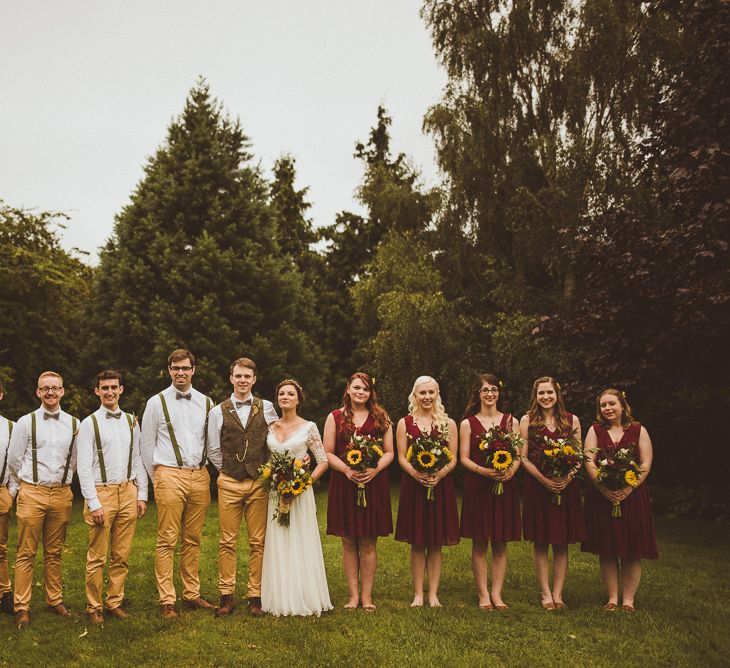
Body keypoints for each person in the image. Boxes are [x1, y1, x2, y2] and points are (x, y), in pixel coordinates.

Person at [140, 348, 216, 619]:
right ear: (169, 370)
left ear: (193, 370)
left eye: (185, 368)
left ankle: (192, 594)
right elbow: (146, 446)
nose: (181, 373)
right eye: (176, 368)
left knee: (193, 539)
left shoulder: (207, 403)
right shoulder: (155, 402)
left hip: (199, 475)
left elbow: (211, 443)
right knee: (167, 539)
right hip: (169, 474)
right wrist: (157, 478)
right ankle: (167, 599)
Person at [206, 357, 279, 617]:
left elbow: (275, 442)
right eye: (238, 376)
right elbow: (213, 449)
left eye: (247, 376)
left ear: (254, 379)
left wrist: (265, 471)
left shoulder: (267, 407)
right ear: (231, 378)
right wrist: (228, 469)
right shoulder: (218, 411)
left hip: (258, 483)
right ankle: (226, 596)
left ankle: (255, 596)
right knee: (227, 541)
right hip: (229, 482)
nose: (242, 380)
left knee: (258, 541)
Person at [6, 371, 78, 627]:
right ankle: (22, 606)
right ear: (38, 392)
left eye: (55, 388)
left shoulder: (73, 423)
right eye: (45, 388)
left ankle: (54, 600)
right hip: (32, 493)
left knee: (54, 551)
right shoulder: (26, 422)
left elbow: (75, 460)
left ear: (62, 391)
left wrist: (64, 481)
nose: (50, 392)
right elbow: (15, 459)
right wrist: (29, 484)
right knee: (26, 551)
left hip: (61, 494)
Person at [76, 370, 148, 624]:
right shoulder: (88, 423)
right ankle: (93, 606)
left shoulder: (131, 420)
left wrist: (142, 494)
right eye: (104, 388)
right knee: (97, 555)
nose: (109, 392)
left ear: (121, 390)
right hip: (102, 491)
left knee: (122, 554)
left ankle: (114, 601)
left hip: (128, 490)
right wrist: (93, 502)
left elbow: (137, 458)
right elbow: (83, 466)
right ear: (97, 391)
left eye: (113, 387)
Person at [261, 379, 332, 616]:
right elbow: (269, 461)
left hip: (300, 493)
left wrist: (304, 483)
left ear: (298, 399)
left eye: (290, 394)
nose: (285, 397)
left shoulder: (309, 427)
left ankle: (305, 594)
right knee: (279, 540)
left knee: (300, 539)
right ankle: (279, 596)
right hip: (276, 492)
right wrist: (273, 477)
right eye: (281, 393)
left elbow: (323, 460)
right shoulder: (270, 427)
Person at [582, 389, 658, 612]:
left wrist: (629, 487)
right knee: (607, 548)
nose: (608, 408)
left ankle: (628, 600)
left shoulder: (638, 430)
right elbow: (589, 460)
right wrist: (603, 487)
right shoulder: (595, 430)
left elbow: (645, 462)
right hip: (602, 496)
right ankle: (613, 598)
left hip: (632, 496)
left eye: (612, 404)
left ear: (623, 405)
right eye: (603, 405)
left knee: (632, 549)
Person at [324, 372, 394, 611]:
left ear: (370, 393)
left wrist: (374, 469)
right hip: (345, 483)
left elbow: (389, 452)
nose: (360, 392)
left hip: (373, 483)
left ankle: (367, 597)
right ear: (348, 389)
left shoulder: (381, 417)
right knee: (348, 540)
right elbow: (328, 452)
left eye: (365, 389)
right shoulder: (335, 417)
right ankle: (353, 596)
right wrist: (346, 470)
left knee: (368, 541)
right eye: (356, 388)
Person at [520, 376, 586, 610]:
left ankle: (558, 593)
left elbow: (580, 456)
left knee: (561, 541)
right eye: (541, 393)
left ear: (557, 395)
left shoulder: (572, 420)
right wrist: (543, 479)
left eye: (549, 393)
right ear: (535, 396)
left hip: (566, 487)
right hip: (538, 487)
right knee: (541, 541)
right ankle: (545, 593)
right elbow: (522, 456)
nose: (545, 397)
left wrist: (567, 478)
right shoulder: (527, 420)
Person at [394, 376, 459, 608]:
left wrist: (439, 475)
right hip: (414, 486)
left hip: (440, 486)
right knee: (418, 541)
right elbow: (401, 456)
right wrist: (416, 474)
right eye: (422, 393)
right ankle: (418, 594)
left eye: (431, 392)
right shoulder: (405, 423)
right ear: (415, 395)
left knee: (436, 542)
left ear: (437, 394)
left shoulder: (448, 424)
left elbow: (454, 457)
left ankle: (433, 594)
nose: (427, 397)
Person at [459, 374, 521, 610]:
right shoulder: (467, 424)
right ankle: (483, 594)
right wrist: (483, 471)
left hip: (504, 486)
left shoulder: (510, 422)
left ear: (499, 392)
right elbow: (462, 458)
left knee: (500, 543)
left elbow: (517, 454)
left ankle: (497, 593)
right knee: (479, 542)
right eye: (485, 390)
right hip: (478, 486)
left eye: (493, 389)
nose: (489, 394)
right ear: (478, 394)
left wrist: (511, 471)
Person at [0, 379, 16, 615]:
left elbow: (15, 465)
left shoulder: (11, 428)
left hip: (1, 491)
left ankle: (4, 593)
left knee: (0, 548)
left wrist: (10, 493)